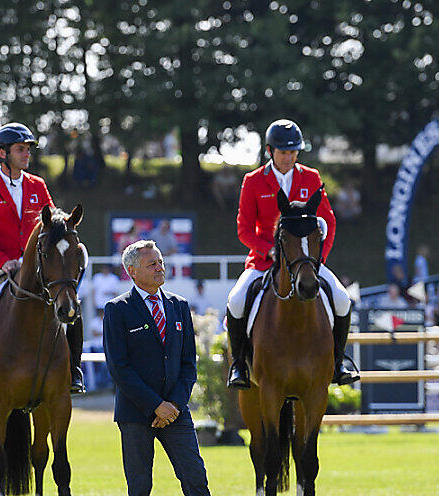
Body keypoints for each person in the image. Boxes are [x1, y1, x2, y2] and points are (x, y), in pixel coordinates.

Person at [0, 122, 86, 399]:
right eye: (20, 149)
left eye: (28, 149)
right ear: (2, 153)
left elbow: (53, 222)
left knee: (72, 305)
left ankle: (74, 370)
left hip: (35, 268)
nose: (27, 154)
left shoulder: (37, 185)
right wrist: (3, 261)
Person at [225, 119, 358, 388]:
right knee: (236, 300)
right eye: (284, 152)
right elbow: (244, 230)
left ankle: (338, 361)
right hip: (264, 261)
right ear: (270, 151)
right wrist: (270, 251)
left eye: (293, 151)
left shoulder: (311, 177)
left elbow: (328, 222)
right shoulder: (253, 181)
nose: (289, 157)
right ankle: (239, 364)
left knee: (343, 299)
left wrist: (318, 259)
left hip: (306, 262)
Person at [102, 241, 210, 496]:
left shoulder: (179, 305)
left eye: (161, 262)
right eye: (152, 264)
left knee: (196, 479)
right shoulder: (117, 309)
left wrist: (172, 405)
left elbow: (188, 365)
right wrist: (155, 405)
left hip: (176, 411)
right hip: (135, 414)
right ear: (132, 272)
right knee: (139, 488)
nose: (160, 268)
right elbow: (119, 368)